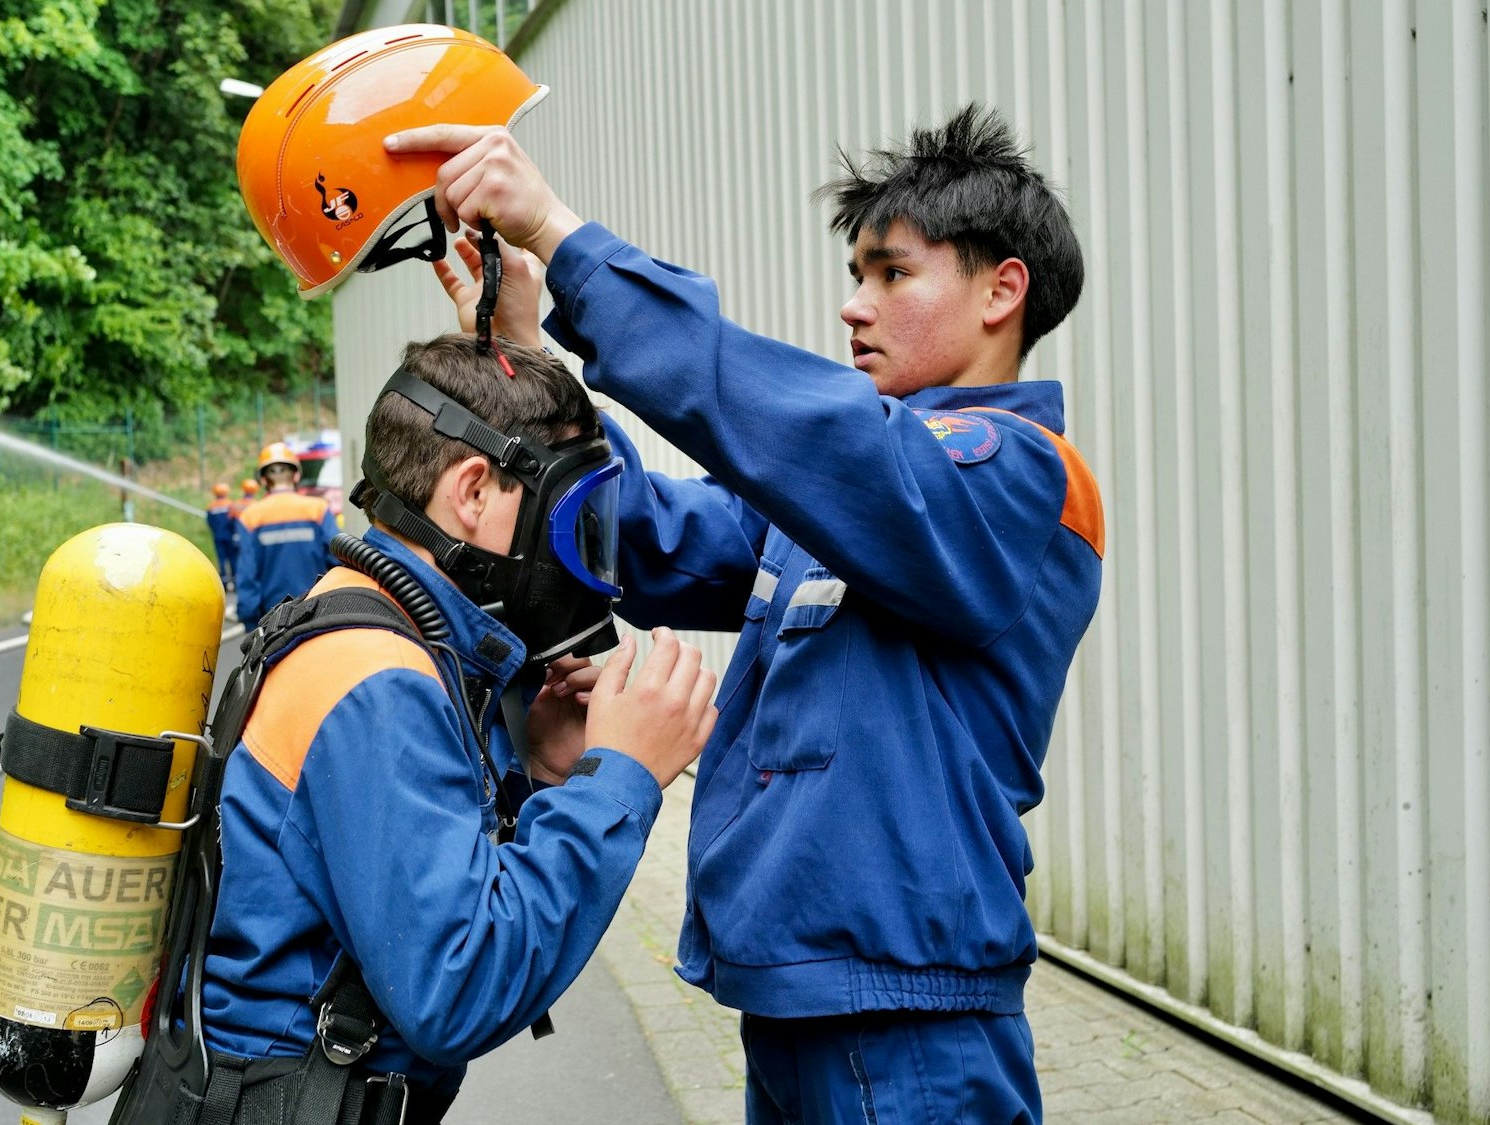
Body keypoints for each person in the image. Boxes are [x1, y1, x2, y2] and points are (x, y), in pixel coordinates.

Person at [392, 104, 1103, 1123]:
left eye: (891, 273)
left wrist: (558, 233)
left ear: (1002, 290)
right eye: (854, 275)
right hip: (798, 997)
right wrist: (526, 352)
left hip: (907, 1021)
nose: (855, 307)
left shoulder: (1010, 481)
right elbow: (630, 534)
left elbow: (791, 427)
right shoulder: (849, 498)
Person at [202, 334, 718, 1121]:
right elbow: (456, 986)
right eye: (572, 515)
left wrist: (542, 773)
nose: (585, 557)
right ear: (473, 491)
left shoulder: (373, 629)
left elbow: (419, 891)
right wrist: (622, 778)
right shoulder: (378, 681)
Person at [233, 442, 339, 632]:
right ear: (296, 475)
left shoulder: (250, 517)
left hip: (272, 622)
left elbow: (248, 574)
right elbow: (338, 558)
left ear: (263, 480)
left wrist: (250, 620)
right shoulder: (318, 509)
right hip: (316, 613)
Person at [206, 482, 240, 588]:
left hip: (218, 536)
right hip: (230, 536)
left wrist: (216, 531)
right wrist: (235, 534)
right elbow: (234, 521)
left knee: (221, 559)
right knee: (233, 559)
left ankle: (224, 582)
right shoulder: (231, 505)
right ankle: (235, 581)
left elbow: (210, 522)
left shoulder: (211, 506)